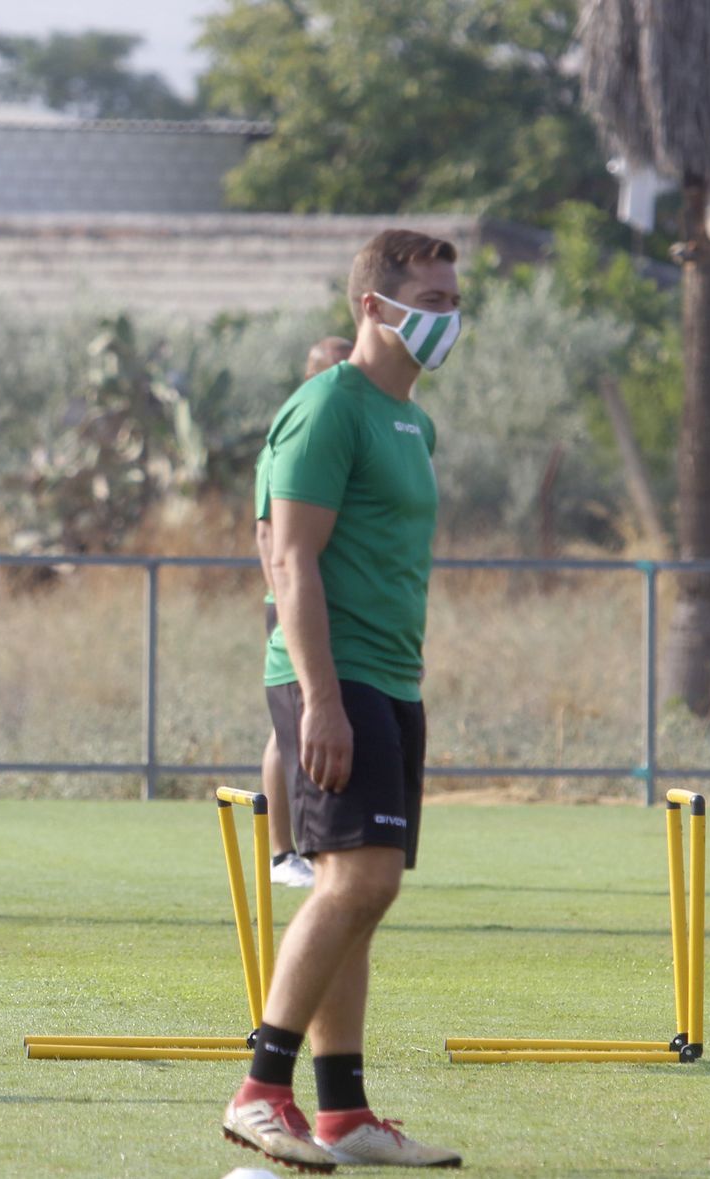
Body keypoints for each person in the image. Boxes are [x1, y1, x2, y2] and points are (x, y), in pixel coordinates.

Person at [221, 232, 464, 1171]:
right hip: (335, 676)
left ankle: (345, 1115)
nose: (448, 317)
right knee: (361, 882)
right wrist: (320, 698)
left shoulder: (415, 422)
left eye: (453, 299)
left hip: (392, 678)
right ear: (374, 306)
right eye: (431, 299)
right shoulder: (328, 408)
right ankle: (259, 1090)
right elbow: (288, 557)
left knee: (358, 893)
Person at [261, 336, 354, 890]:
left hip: (327, 603)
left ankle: (305, 850)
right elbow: (268, 533)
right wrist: (285, 597)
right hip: (291, 604)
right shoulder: (290, 438)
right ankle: (283, 852)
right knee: (291, 728)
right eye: (336, 371)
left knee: (298, 728)